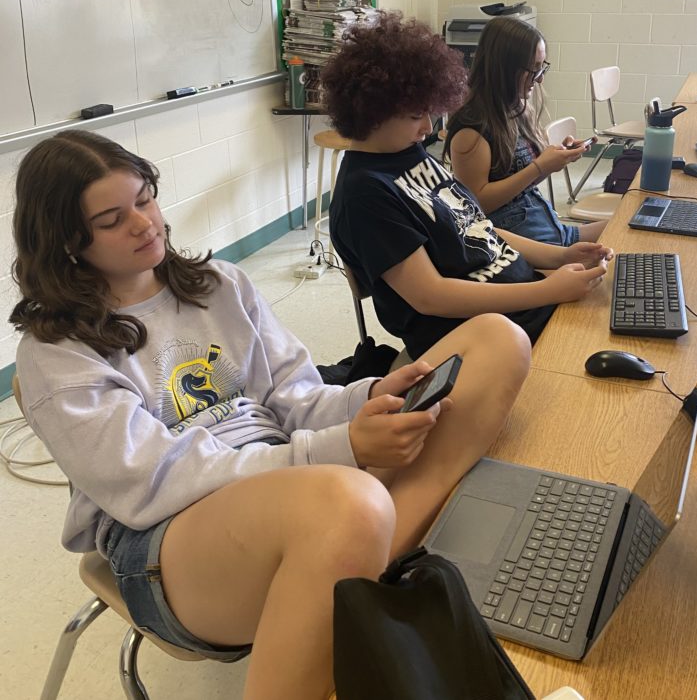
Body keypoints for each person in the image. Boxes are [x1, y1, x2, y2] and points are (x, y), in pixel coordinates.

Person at [10, 129, 532, 700]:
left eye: (145, 198)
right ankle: (365, 559)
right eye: (111, 221)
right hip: (166, 535)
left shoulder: (220, 285)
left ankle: (360, 561)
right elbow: (152, 483)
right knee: (346, 501)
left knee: (496, 340)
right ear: (65, 242)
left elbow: (298, 400)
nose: (144, 224)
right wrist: (341, 452)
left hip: (296, 479)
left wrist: (373, 395)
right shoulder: (55, 353)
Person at [324, 12, 613, 361]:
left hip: (523, 307)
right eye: (416, 116)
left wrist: (560, 256)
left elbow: (478, 228)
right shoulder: (365, 194)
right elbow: (432, 296)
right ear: (371, 110)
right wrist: (547, 290)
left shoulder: (409, 153)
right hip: (480, 341)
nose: (427, 129)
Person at [443, 15, 606, 244]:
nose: (539, 80)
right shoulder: (471, 129)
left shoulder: (516, 108)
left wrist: (555, 160)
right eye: (533, 70)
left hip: (548, 229)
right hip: (521, 243)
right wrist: (540, 167)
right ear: (505, 68)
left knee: (626, 223)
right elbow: (478, 202)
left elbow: (518, 181)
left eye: (542, 68)